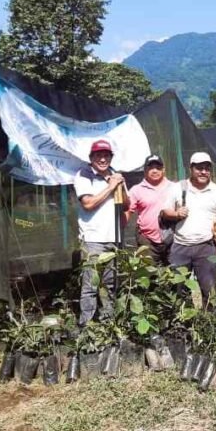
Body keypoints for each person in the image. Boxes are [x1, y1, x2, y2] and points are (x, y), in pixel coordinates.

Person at [163, 152, 216, 310]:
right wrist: (175, 213)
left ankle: (212, 325)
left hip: (206, 247)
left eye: (207, 168)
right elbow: (165, 211)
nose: (203, 172)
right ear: (191, 168)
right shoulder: (178, 188)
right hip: (180, 247)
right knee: (177, 289)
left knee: (210, 290)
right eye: (199, 168)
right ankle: (181, 326)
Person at [74, 139, 130, 325]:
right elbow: (88, 204)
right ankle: (87, 326)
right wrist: (111, 187)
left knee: (110, 284)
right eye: (99, 155)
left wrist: (120, 186)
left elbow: (127, 205)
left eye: (106, 155)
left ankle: (108, 324)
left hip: (114, 238)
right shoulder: (84, 175)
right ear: (91, 158)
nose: (103, 159)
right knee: (91, 285)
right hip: (93, 239)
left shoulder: (115, 176)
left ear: (111, 158)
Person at [127, 154, 172, 265]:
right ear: (145, 170)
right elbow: (127, 211)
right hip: (147, 240)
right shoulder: (136, 190)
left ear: (164, 170)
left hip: (172, 239)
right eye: (151, 168)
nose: (154, 170)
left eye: (158, 167)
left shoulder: (174, 187)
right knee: (148, 276)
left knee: (174, 274)